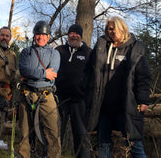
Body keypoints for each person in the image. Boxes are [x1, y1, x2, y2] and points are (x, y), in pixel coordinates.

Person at [87, 16, 151, 158]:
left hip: (126, 106)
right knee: (103, 145)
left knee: (134, 144)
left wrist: (144, 100)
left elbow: (144, 78)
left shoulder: (134, 49)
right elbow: (88, 72)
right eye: (110, 28)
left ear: (123, 28)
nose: (113, 31)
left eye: (116, 28)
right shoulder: (101, 48)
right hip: (103, 107)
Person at [18, 20, 61, 158]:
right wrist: (43, 73)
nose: (40, 37)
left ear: (48, 37)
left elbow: (52, 75)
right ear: (34, 35)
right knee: (25, 132)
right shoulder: (26, 52)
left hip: (46, 95)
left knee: (52, 131)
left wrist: (31, 74)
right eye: (38, 34)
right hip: (27, 94)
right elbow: (23, 70)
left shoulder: (54, 54)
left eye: (44, 35)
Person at [55, 24, 91, 158]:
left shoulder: (89, 53)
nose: (74, 35)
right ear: (68, 35)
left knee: (81, 136)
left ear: (81, 36)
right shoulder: (59, 51)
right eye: (72, 33)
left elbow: (93, 76)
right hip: (60, 100)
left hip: (80, 101)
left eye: (77, 33)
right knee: (56, 134)